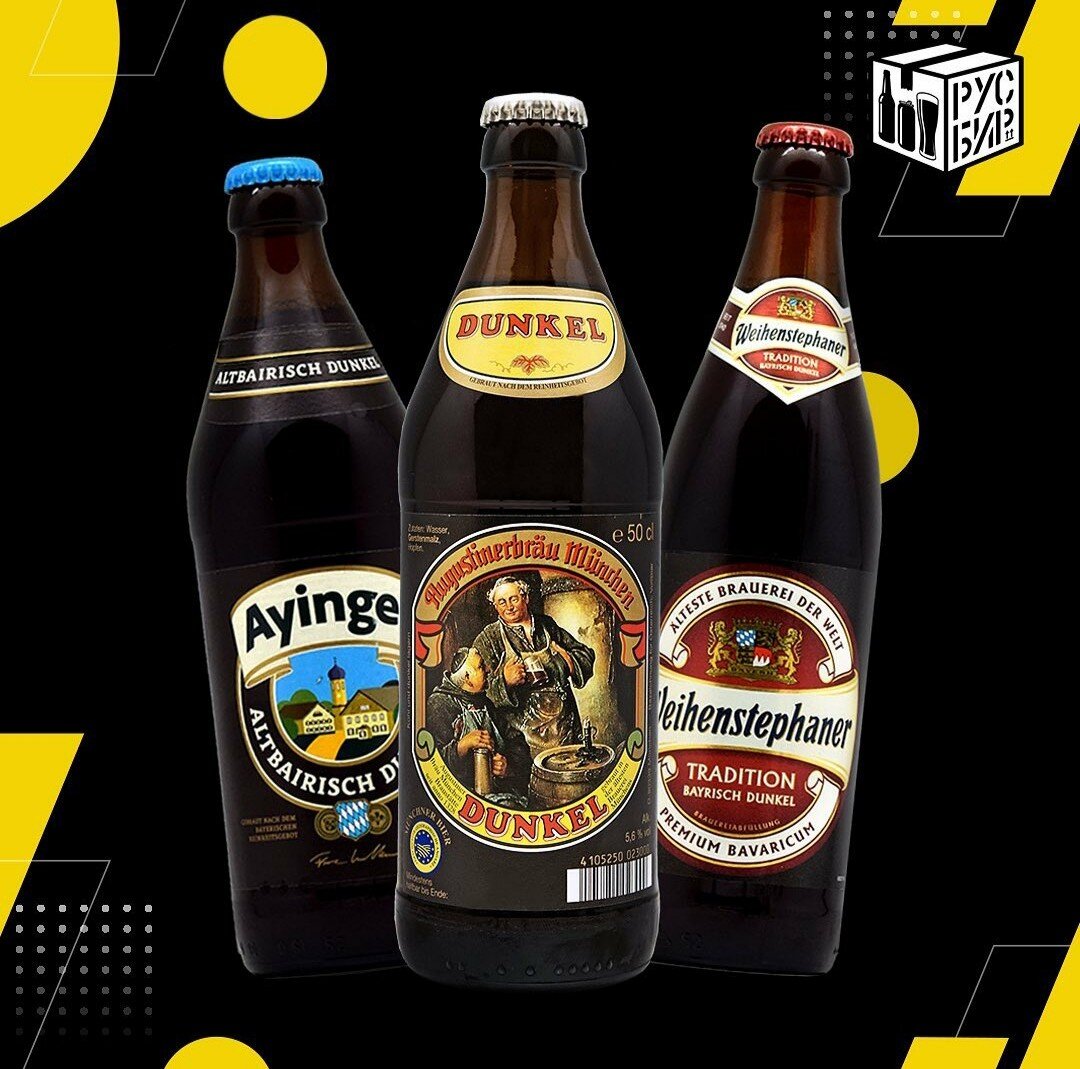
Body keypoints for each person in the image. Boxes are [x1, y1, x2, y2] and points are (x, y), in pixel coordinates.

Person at [473, 576, 596, 757]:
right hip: (522, 738)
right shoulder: (489, 638)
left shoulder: (546, 625)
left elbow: (585, 654)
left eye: (514, 599)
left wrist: (569, 662)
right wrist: (505, 681)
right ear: (495, 606)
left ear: (526, 598)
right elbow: (475, 689)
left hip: (565, 726)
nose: (509, 607)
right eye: (502, 602)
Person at [424, 647, 530, 807]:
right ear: (467, 678)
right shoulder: (439, 705)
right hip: (462, 798)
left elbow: (517, 744)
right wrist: (461, 746)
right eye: (481, 666)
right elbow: (431, 767)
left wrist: (508, 767)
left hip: (499, 792)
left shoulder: (485, 702)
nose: (488, 669)